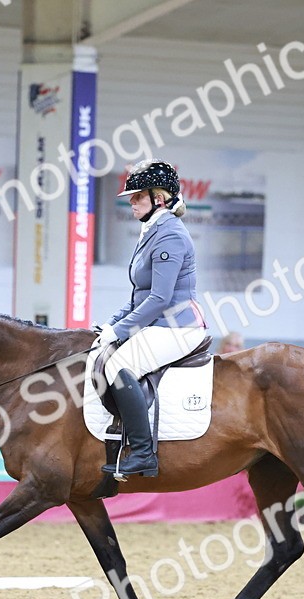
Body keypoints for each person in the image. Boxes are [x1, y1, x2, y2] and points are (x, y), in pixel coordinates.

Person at [95, 160, 207, 478]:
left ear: (158, 198)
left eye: (137, 196)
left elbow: (159, 298)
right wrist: (110, 325)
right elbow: (139, 294)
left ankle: (144, 453)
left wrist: (119, 331)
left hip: (177, 325)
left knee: (118, 366)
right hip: (159, 321)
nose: (131, 202)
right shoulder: (152, 231)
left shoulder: (170, 235)